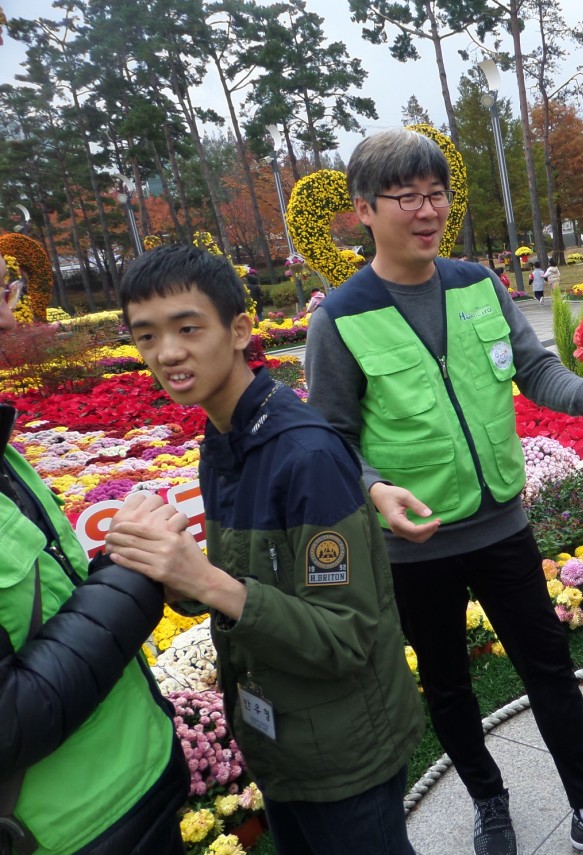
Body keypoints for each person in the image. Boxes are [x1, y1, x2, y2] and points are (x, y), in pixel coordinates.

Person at [304, 128, 583, 855]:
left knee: (549, 667)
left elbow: (535, 370)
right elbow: (330, 438)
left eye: (437, 194)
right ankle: (488, 799)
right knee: (448, 684)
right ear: (364, 209)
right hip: (414, 546)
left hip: (502, 525)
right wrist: (375, 490)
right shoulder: (340, 318)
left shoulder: (477, 284)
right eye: (407, 196)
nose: (427, 211)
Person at [104, 244, 424, 855]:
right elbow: (246, 581)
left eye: (188, 328)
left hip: (343, 752)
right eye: (146, 336)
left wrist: (205, 581)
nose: (167, 353)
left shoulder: (306, 455)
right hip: (281, 743)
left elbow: (345, 636)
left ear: (240, 330)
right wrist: (173, 572)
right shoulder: (224, 438)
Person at [0, 255, 190, 855]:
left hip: (133, 788)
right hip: (63, 833)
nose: (11, 316)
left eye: (8, 290)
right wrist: (133, 571)